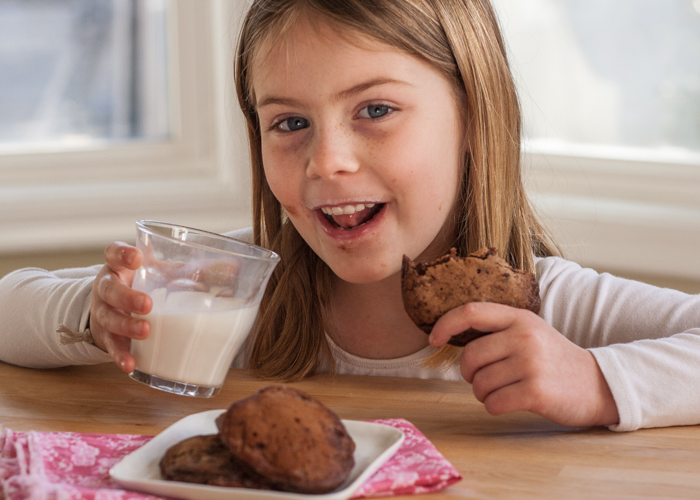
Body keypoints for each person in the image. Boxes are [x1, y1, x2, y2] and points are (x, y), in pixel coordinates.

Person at [1, 0, 699, 432]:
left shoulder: (553, 305)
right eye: (290, 122)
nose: (327, 161)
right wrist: (101, 316)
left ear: (472, 118)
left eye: (376, 110)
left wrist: (597, 383)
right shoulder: (235, 289)